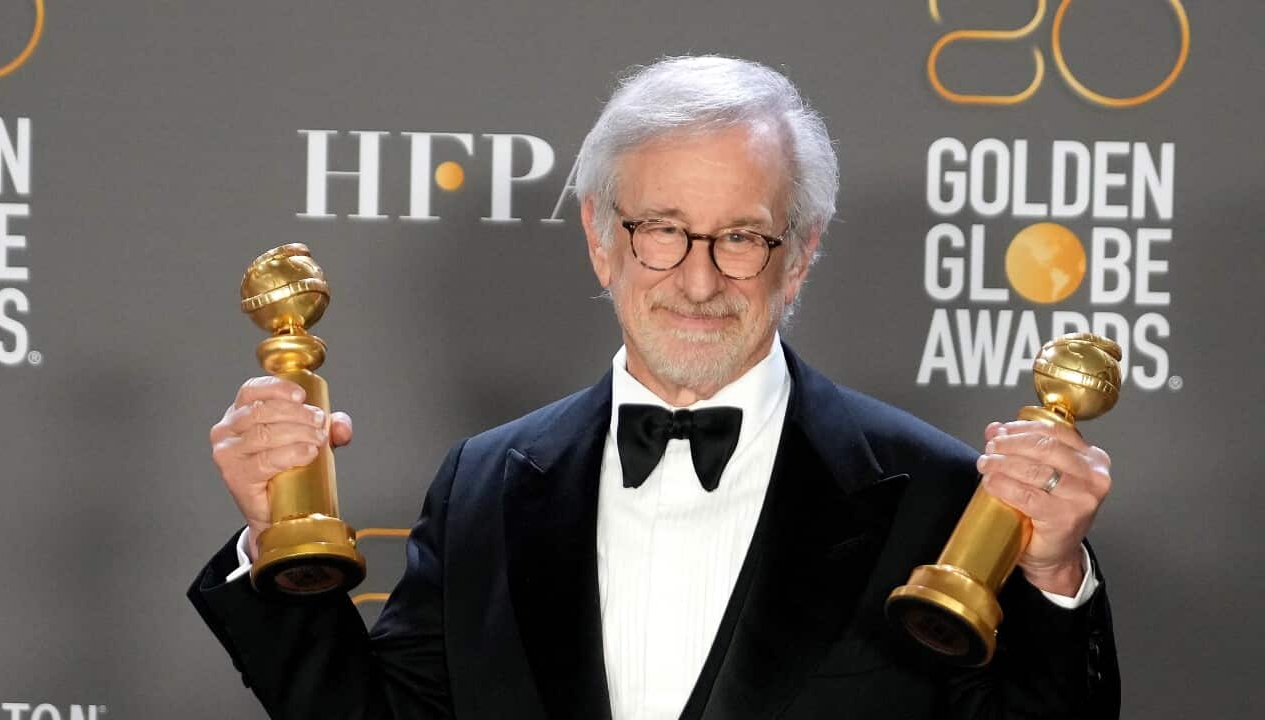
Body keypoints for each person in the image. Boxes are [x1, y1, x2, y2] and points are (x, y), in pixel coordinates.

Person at [192, 56, 1120, 719]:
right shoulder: (481, 481)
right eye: (662, 230)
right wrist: (281, 537)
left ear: (799, 258)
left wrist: (1050, 576)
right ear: (600, 235)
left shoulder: (937, 492)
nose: (700, 279)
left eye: (743, 237)